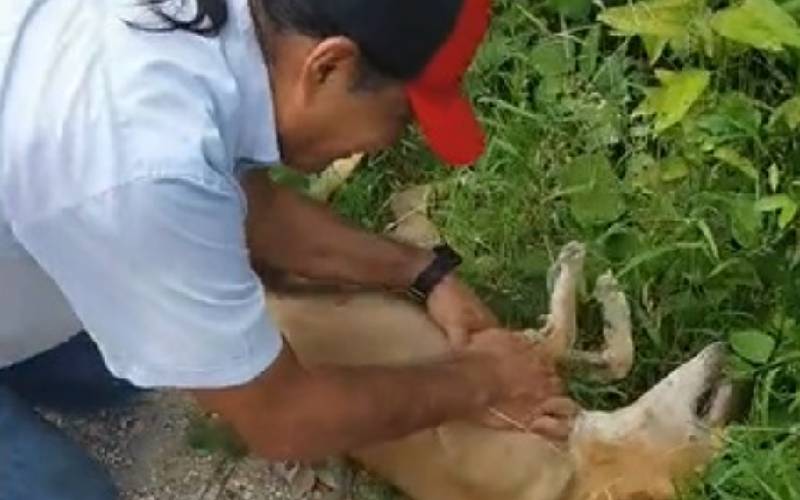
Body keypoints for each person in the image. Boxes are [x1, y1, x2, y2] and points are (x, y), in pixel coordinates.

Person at [0, 0, 574, 498]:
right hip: (90, 189)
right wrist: (481, 382)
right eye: (399, 120)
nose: (383, 145)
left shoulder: (231, 32)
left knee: (118, 375)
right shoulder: (140, 166)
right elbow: (283, 420)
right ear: (328, 65)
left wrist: (425, 273)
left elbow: (247, 207)